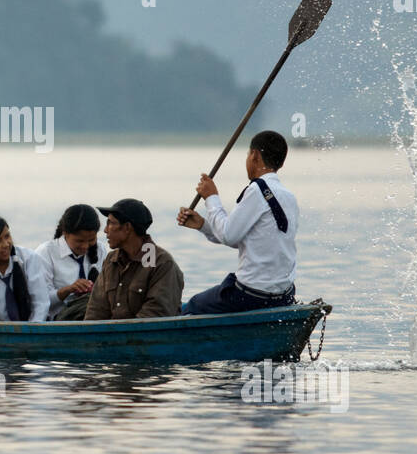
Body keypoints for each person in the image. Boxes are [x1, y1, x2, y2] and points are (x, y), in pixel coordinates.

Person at [176, 130, 298, 314]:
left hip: (252, 295)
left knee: (192, 306)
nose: (247, 159)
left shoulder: (257, 190)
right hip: (284, 294)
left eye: (248, 154)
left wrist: (211, 197)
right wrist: (203, 226)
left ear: (255, 155)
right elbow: (248, 240)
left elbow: (229, 235)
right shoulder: (289, 197)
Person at [84, 199, 184, 319]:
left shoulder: (162, 263)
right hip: (115, 336)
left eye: (111, 223)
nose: (105, 230)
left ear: (127, 227)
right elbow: (96, 311)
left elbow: (155, 315)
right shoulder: (111, 260)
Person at [34, 204, 110, 320]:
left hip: (94, 315)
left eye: (91, 240)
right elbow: (40, 302)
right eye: (79, 241)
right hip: (60, 320)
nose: (85, 246)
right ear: (65, 233)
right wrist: (68, 289)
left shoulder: (100, 249)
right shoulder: (46, 252)